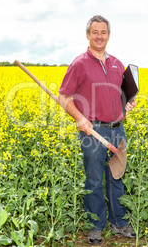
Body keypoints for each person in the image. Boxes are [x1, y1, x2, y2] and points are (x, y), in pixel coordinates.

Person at [57, 15, 137, 245]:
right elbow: (64, 97)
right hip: (93, 131)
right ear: (88, 35)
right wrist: (80, 119)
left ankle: (119, 221)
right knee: (93, 180)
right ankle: (95, 225)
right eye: (95, 32)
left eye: (103, 32)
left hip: (117, 129)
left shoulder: (117, 64)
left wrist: (127, 104)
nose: (99, 36)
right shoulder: (79, 63)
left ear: (108, 36)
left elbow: (120, 95)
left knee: (117, 176)